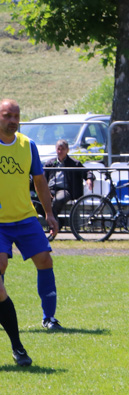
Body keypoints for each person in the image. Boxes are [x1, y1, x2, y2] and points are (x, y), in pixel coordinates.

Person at [0, 99, 62, 368]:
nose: (13, 120)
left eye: (16, 115)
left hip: (25, 218)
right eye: (7, 115)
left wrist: (49, 213)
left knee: (45, 261)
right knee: (0, 265)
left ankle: (49, 318)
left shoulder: (28, 146)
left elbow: (39, 181)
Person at [43, 139, 94, 216]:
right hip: (51, 189)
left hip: (65, 190)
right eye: (58, 149)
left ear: (67, 150)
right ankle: (57, 222)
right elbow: (43, 177)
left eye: (62, 149)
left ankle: (52, 223)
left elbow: (87, 172)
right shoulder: (50, 163)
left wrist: (89, 179)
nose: (60, 152)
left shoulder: (74, 163)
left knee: (58, 200)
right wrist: (46, 191)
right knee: (37, 201)